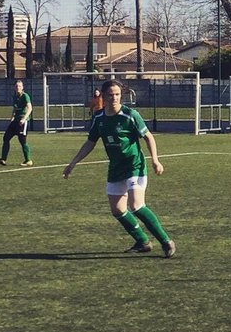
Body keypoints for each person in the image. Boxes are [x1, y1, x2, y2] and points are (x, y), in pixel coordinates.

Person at [63, 77, 175, 257]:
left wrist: (155, 159)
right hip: (115, 168)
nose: (114, 98)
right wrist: (73, 162)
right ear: (104, 97)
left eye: (117, 94)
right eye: (110, 95)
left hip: (134, 166)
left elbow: (148, 137)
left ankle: (166, 241)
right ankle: (142, 241)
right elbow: (90, 142)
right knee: (117, 209)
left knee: (136, 206)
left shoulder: (130, 115)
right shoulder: (99, 118)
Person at [0, 79, 34, 166]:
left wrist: (24, 119)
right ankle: (3, 159)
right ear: (14, 88)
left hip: (22, 121)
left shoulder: (25, 96)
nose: (18, 88)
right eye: (16, 86)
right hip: (15, 121)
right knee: (6, 138)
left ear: (22, 87)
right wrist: (12, 117)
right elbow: (15, 108)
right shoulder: (15, 96)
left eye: (19, 86)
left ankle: (28, 160)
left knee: (22, 140)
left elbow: (30, 108)